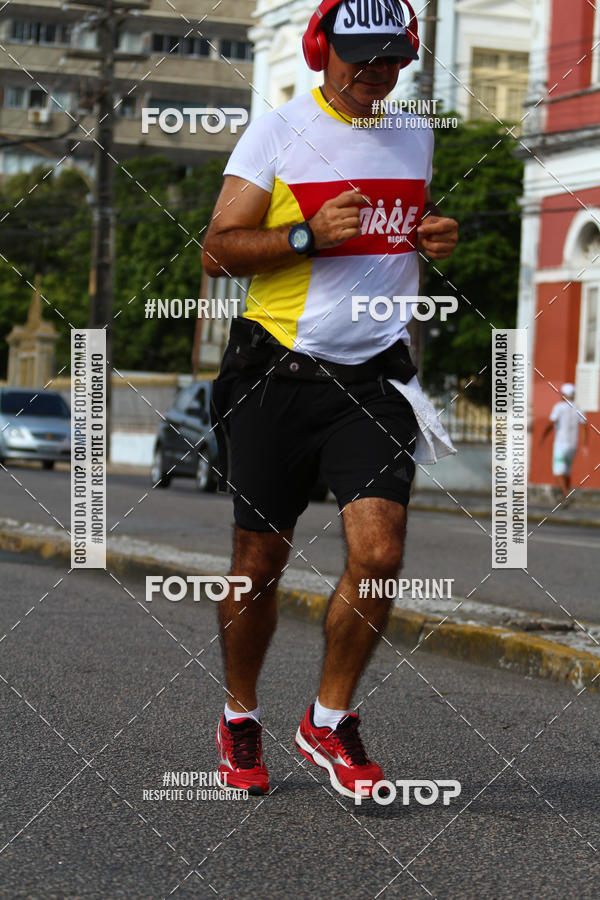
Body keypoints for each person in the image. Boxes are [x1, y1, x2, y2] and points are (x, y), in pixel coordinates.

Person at [202, 0, 459, 799]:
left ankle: (329, 719)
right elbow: (217, 251)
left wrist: (428, 237)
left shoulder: (414, 132)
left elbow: (398, 233)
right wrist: (308, 234)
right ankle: (240, 717)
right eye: (359, 56)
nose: (373, 72)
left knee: (380, 556)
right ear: (321, 50)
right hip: (277, 374)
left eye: (390, 59)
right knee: (260, 562)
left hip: (375, 378)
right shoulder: (278, 130)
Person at [540, 383, 588, 504]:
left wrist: (543, 436)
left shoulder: (559, 407)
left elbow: (551, 423)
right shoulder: (578, 408)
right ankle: (565, 493)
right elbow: (584, 426)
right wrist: (584, 445)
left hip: (561, 443)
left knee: (558, 471)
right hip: (573, 445)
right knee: (566, 470)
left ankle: (566, 495)